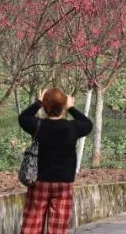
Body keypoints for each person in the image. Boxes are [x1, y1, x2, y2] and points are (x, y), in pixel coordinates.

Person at [18, 86, 93, 234]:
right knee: (58, 227)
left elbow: (23, 118)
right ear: (63, 106)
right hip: (64, 183)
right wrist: (71, 108)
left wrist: (38, 102)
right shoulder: (73, 127)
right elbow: (88, 124)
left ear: (45, 107)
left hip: (39, 181)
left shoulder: (38, 125)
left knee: (32, 223)